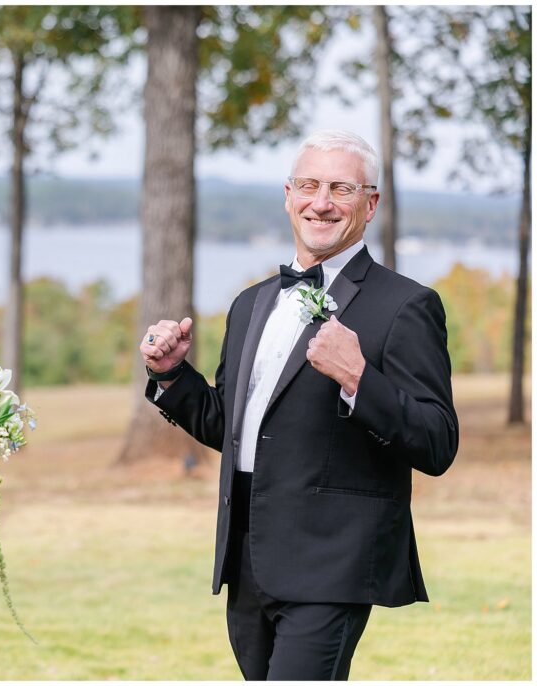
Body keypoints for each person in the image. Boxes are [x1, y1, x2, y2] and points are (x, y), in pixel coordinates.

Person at [140, 130, 458, 680]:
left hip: (333, 561)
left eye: (341, 189)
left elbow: (437, 441)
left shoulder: (407, 305)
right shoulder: (251, 303)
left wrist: (358, 378)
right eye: (309, 186)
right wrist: (172, 375)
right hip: (247, 556)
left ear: (370, 204)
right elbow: (232, 428)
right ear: (289, 196)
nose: (322, 202)